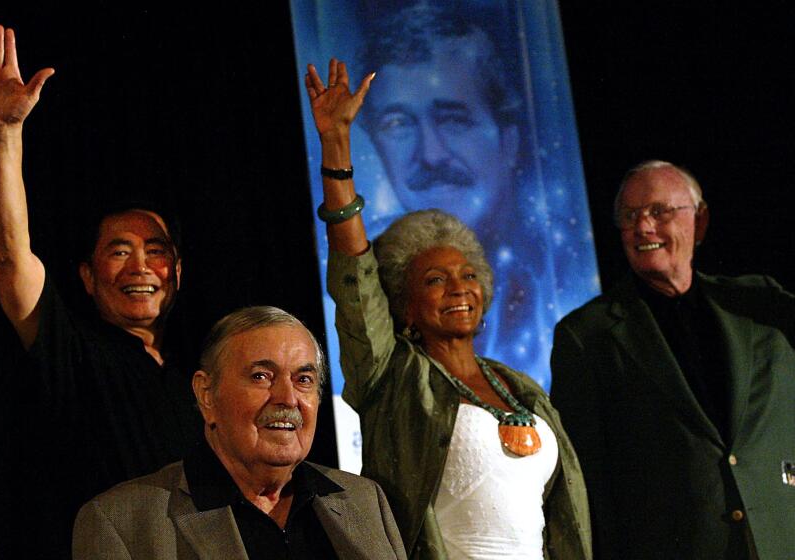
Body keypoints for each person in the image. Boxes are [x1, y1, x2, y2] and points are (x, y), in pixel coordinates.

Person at [305, 58, 591, 559]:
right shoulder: (391, 377)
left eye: (467, 275)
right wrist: (336, 147)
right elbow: (354, 276)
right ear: (404, 307)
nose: (458, 289)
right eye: (434, 280)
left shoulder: (521, 388)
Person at [0, 26, 199, 555]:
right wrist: (6, 132)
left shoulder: (205, 369)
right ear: (88, 278)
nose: (140, 265)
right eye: (118, 252)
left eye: (155, 250)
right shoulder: (73, 351)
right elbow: (8, 256)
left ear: (178, 272)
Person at [550, 161, 795, 559]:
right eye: (630, 216)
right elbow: (588, 478)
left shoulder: (758, 305)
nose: (643, 227)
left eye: (659, 212)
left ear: (700, 221)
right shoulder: (587, 335)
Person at [354, 3, 579, 385]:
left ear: (509, 139)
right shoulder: (362, 299)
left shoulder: (569, 277)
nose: (430, 154)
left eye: (453, 120)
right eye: (398, 125)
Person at [73, 306, 407, 559]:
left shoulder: (364, 500)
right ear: (207, 395)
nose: (288, 398)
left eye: (303, 380)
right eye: (262, 376)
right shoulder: (122, 523)